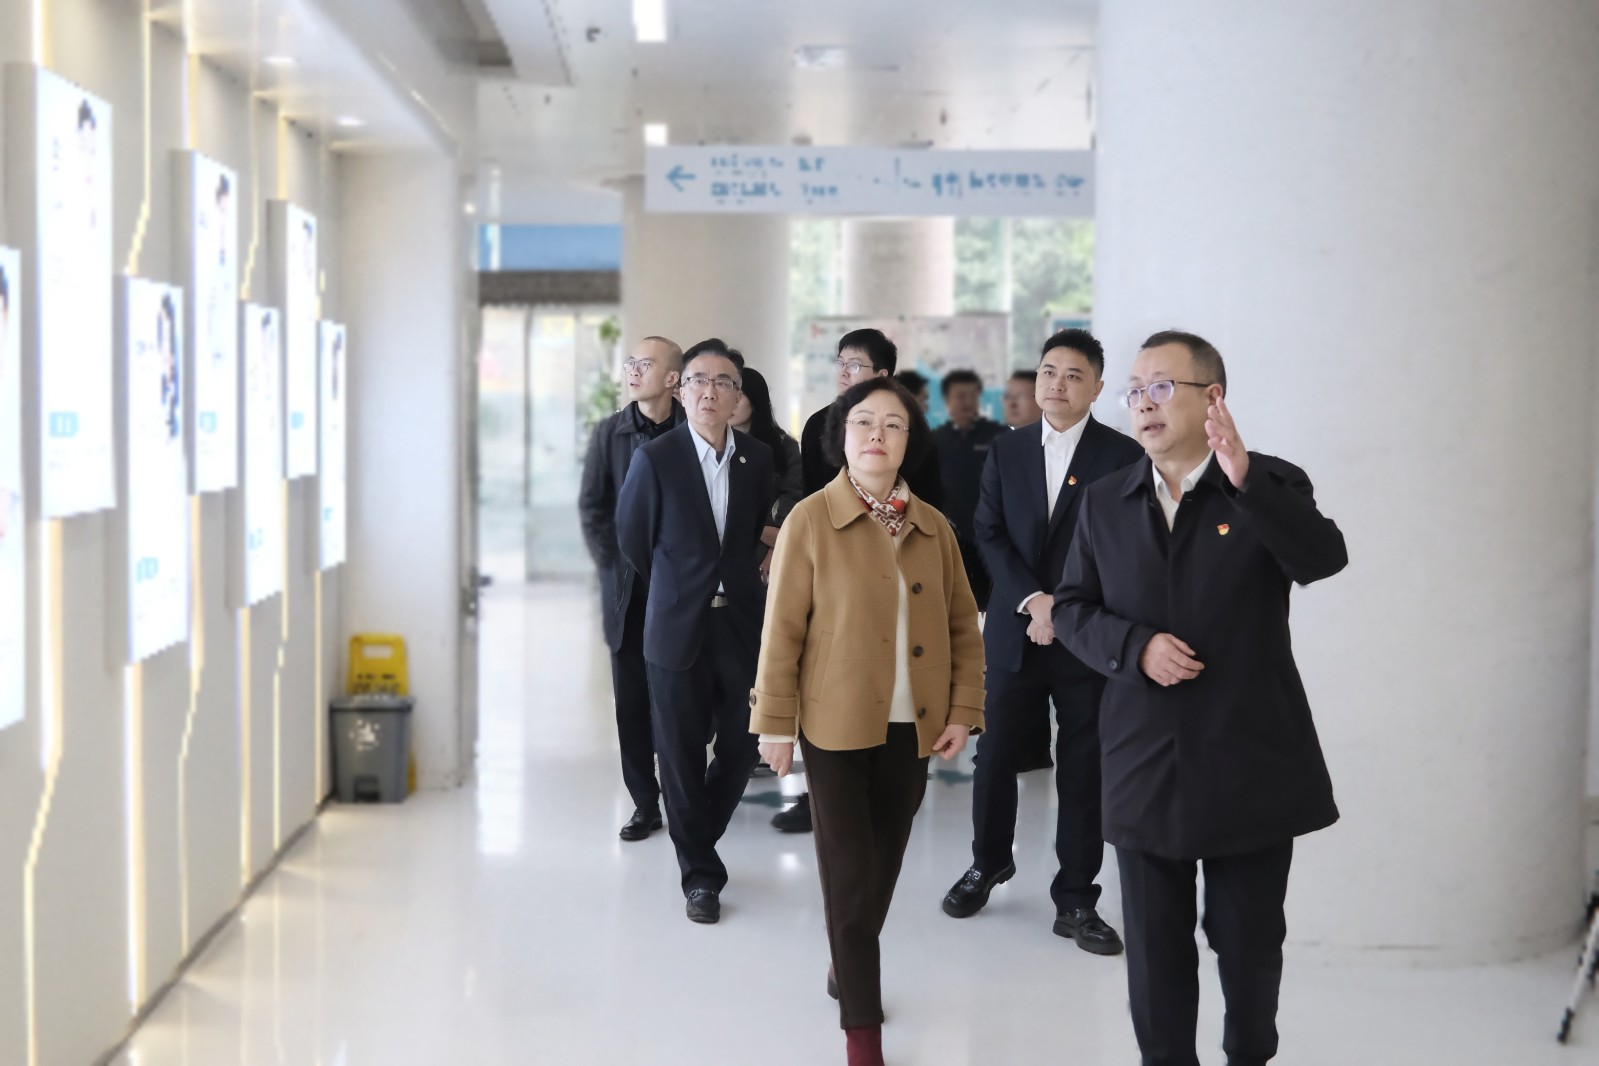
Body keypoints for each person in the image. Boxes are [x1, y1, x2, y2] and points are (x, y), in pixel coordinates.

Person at [1055, 330, 1347, 1066]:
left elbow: (1322, 558)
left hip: (1248, 754)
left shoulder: (1267, 483)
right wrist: (1135, 647)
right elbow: (1072, 608)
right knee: (1155, 952)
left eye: (1161, 387)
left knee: (1247, 942)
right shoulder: (1104, 501)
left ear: (1211, 397)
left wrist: (1245, 482)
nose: (1143, 404)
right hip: (1142, 758)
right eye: (1134, 391)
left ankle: (1249, 1053)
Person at [752, 376, 984, 1066]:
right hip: (834, 726)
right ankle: (862, 1030)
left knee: (881, 866)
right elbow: (781, 630)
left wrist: (964, 710)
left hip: (913, 727)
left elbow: (962, 627)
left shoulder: (934, 528)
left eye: (893, 424)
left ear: (909, 442)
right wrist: (774, 724)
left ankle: (844, 957)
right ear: (841, 437)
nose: (877, 434)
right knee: (850, 874)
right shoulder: (809, 520)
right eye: (863, 422)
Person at [942, 329, 1143, 955]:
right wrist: (1034, 600)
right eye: (1048, 372)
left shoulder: (1122, 455)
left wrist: (1065, 609)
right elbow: (989, 531)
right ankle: (988, 862)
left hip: (1086, 637)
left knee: (1083, 766)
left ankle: (1077, 897)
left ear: (1097, 388)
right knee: (994, 755)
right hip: (1015, 628)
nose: (1057, 384)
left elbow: (1122, 546)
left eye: (1073, 375)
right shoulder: (1007, 449)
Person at [616, 338, 775, 924]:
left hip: (740, 623)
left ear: (738, 396)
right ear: (682, 392)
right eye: (699, 381)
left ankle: (696, 830)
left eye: (723, 382)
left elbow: (752, 533)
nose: (710, 391)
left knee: (744, 740)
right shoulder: (655, 459)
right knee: (679, 751)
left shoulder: (757, 459)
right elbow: (634, 539)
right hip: (676, 623)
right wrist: (680, 586)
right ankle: (701, 877)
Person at [782, 328, 946, 834]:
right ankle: (818, 794)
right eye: (840, 363)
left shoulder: (915, 437)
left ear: (883, 374)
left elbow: (932, 500)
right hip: (835, 568)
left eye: (854, 365)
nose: (843, 373)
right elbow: (782, 630)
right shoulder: (818, 428)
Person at [578, 335, 685, 841]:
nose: (633, 371)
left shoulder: (694, 429)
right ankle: (645, 803)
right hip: (627, 592)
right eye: (630, 363)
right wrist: (613, 564)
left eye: (645, 363)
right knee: (632, 703)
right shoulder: (610, 433)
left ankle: (684, 797)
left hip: (680, 589)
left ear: (672, 378)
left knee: (681, 700)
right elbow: (593, 507)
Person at [933, 369, 1005, 610]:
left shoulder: (999, 436)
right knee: (954, 602)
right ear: (947, 400)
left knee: (995, 602)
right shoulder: (935, 441)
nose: (966, 402)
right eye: (959, 396)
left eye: (972, 396)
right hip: (951, 535)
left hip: (992, 534)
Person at [730, 365, 804, 576]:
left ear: (756, 401)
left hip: (772, 549)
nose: (732, 401)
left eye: (739, 395)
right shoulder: (716, 444)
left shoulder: (784, 446)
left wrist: (774, 548)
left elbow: (793, 497)